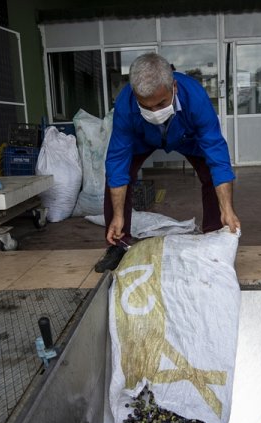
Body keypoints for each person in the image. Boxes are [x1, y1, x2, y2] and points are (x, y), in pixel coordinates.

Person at [94, 53, 240, 273]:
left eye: (161, 103)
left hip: (186, 137)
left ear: (174, 87)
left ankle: (214, 235)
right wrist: (117, 215)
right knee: (117, 174)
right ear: (135, 95)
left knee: (211, 172)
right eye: (147, 107)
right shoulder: (125, 104)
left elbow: (218, 156)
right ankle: (118, 244)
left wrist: (227, 208)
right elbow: (117, 161)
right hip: (143, 139)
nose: (155, 112)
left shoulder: (196, 98)